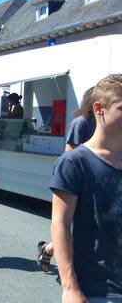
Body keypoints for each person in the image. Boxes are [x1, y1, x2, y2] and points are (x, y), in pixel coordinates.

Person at [50, 74, 122, 301]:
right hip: (99, 290)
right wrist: (70, 287)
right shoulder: (75, 162)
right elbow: (60, 223)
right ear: (99, 109)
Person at [37, 87, 96, 273]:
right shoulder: (82, 122)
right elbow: (69, 154)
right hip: (78, 183)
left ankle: (47, 249)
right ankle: (53, 255)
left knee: (84, 228)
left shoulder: (102, 124)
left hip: (94, 182)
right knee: (70, 226)